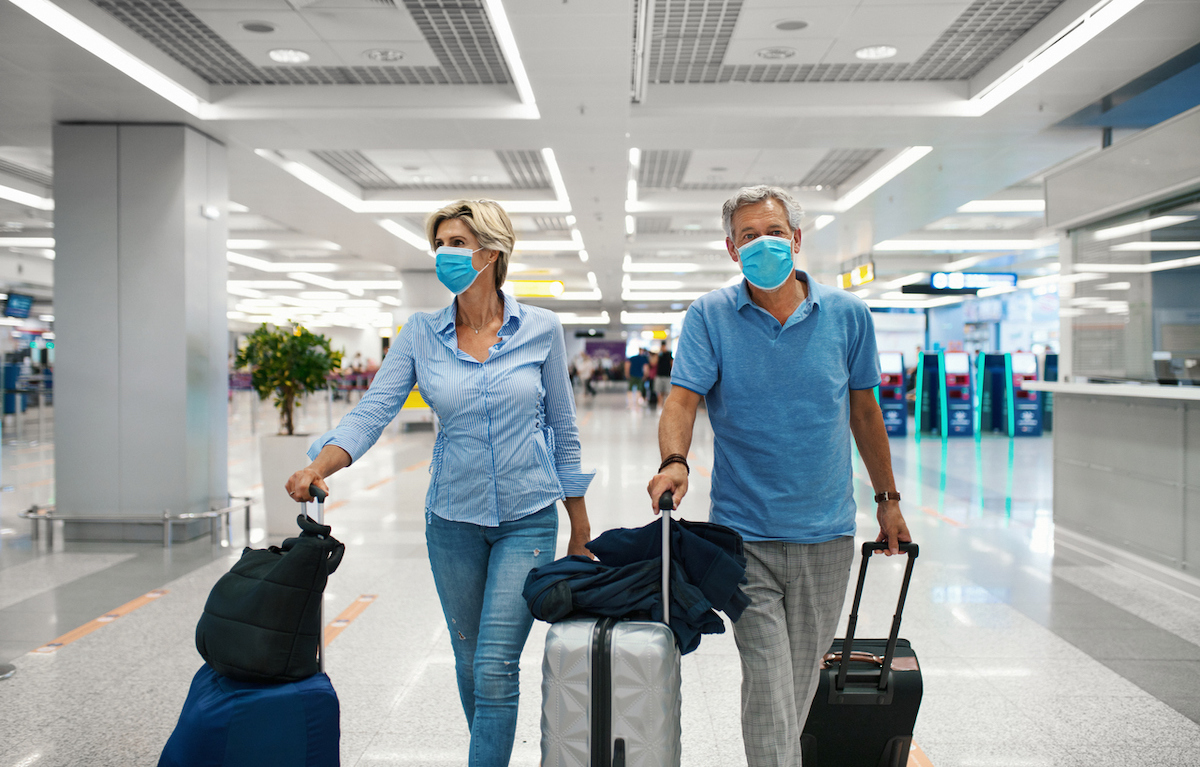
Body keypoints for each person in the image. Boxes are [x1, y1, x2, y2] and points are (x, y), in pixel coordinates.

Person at [285, 199, 595, 767]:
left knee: (497, 665)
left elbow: (563, 429)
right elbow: (372, 411)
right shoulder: (420, 335)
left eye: (458, 243)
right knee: (470, 657)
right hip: (451, 518)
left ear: (492, 252)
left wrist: (580, 524)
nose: (445, 254)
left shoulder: (542, 330)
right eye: (441, 243)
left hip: (527, 516)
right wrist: (317, 466)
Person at [645, 185, 911, 767]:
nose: (761, 243)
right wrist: (674, 461)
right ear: (731, 250)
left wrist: (887, 500)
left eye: (772, 232)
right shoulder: (710, 316)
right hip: (744, 537)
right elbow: (683, 400)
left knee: (796, 682)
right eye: (747, 236)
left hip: (827, 534)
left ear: (795, 239)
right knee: (768, 678)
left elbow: (864, 413)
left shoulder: (848, 316)